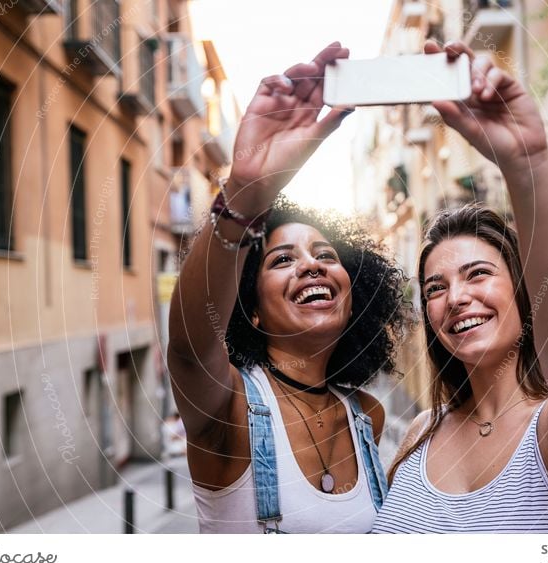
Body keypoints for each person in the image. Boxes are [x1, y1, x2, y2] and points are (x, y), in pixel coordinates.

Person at [371, 40, 548, 533]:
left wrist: (526, 164)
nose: (455, 298)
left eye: (479, 273)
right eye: (434, 289)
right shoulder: (419, 434)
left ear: (525, 291)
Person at [167, 43, 408, 533]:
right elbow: (192, 349)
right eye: (282, 259)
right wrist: (243, 194)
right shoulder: (228, 408)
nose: (311, 266)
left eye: (325, 255)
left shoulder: (369, 417)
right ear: (251, 310)